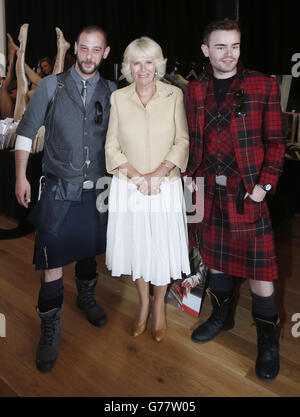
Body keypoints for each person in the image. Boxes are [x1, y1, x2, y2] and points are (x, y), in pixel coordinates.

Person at [185, 19, 285, 381]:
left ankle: (267, 340)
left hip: (248, 194)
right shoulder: (194, 90)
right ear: (205, 50)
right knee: (217, 263)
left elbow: (276, 142)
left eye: (235, 46)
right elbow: (193, 142)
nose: (229, 54)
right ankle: (222, 317)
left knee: (262, 278)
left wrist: (265, 186)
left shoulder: (262, 84)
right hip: (209, 191)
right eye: (221, 47)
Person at [15, 25, 115, 372]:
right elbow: (26, 132)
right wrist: (20, 177)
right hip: (58, 189)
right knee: (51, 262)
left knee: (89, 250)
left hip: (98, 191)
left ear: (105, 53)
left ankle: (86, 296)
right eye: (83, 48)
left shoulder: (112, 91)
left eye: (95, 50)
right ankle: (49, 327)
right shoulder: (51, 86)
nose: (88, 56)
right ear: (76, 48)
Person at [105, 37, 190, 342]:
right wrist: (135, 176)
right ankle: (143, 304)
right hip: (130, 188)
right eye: (136, 62)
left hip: (164, 186)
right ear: (129, 66)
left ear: (158, 64)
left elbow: (182, 142)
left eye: (149, 61)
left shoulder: (174, 95)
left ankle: (158, 307)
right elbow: (111, 147)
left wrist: (158, 172)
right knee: (138, 247)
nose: (143, 68)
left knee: (161, 249)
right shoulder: (119, 98)